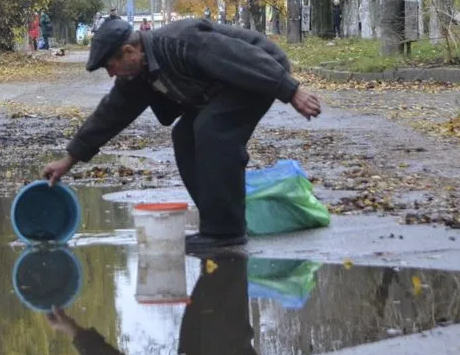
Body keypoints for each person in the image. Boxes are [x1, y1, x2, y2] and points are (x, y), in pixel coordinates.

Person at [41, 17, 322, 251]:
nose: (111, 74)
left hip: (258, 70)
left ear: (129, 52)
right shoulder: (138, 74)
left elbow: (241, 58)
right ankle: (218, 221)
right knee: (184, 136)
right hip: (223, 87)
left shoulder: (180, 41)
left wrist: (291, 91)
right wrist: (69, 159)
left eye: (110, 66)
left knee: (213, 130)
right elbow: (110, 115)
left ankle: (226, 232)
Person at [45, 254, 259, 355]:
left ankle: (224, 241)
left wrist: (74, 332)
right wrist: (73, 330)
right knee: (223, 259)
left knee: (223, 257)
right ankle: (225, 244)